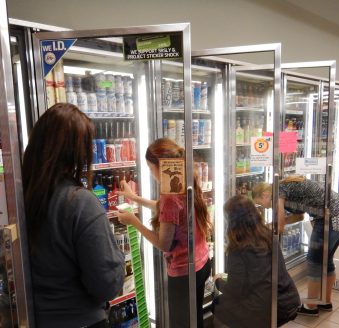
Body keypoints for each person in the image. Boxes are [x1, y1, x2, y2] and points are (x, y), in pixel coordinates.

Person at [22, 103, 125, 327]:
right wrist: (117, 260)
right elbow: (106, 284)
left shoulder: (14, 197)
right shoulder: (80, 203)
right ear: (77, 152)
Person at [116, 138, 212, 328]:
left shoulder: (170, 196)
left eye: (151, 169)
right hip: (201, 263)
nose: (152, 174)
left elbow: (164, 244)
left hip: (183, 272)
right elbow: (167, 211)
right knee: (195, 319)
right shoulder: (184, 181)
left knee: (181, 324)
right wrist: (134, 198)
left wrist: (133, 221)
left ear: (161, 167)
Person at [252, 176, 339, 316]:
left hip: (331, 218)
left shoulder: (278, 190)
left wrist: (261, 230)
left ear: (264, 195)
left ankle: (310, 306)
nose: (265, 207)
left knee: (314, 262)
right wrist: (269, 225)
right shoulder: (285, 190)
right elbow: (298, 217)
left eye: (261, 204)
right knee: (326, 261)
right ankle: (325, 302)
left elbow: (279, 226)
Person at [212, 195, 300, 328]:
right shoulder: (268, 235)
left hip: (264, 308)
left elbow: (235, 290)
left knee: (217, 304)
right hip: (288, 300)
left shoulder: (238, 248)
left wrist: (218, 281)